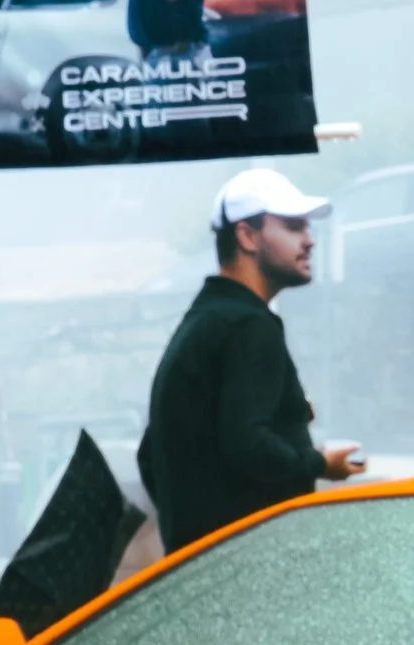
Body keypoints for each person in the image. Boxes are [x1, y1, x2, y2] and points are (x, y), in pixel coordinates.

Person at [138, 167, 366, 553]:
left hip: (201, 566)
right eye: (294, 226)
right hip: (246, 566)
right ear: (246, 236)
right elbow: (248, 443)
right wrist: (319, 464)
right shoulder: (249, 326)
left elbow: (150, 454)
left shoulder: (207, 321)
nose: (309, 241)